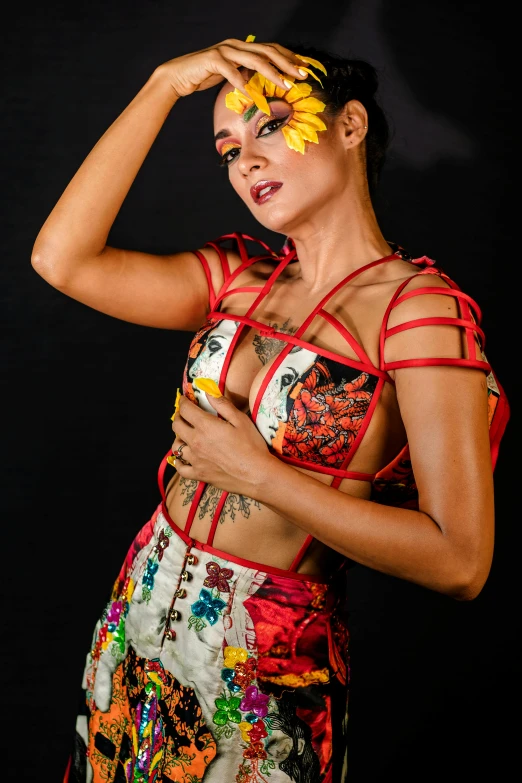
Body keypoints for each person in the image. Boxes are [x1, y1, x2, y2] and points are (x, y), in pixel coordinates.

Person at [31, 36, 510, 783]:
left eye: (270, 124)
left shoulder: (418, 312)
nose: (245, 160)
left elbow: (461, 560)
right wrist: (162, 85)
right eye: (227, 148)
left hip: (263, 664)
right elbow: (60, 259)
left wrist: (263, 476)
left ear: (350, 127)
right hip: (138, 615)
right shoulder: (238, 280)